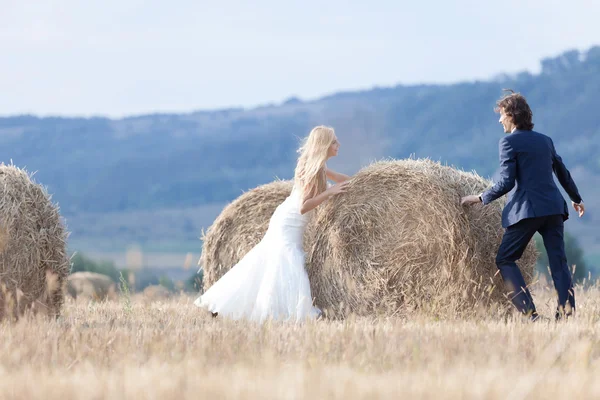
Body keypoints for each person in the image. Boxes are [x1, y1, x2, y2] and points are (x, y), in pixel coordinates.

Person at [195, 125, 351, 322]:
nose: (339, 144)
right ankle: (282, 312)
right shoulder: (314, 168)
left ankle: (239, 306)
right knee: (286, 262)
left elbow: (343, 180)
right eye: (335, 141)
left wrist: (360, 182)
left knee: (267, 261)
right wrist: (329, 192)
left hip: (286, 217)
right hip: (290, 220)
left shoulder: (317, 165)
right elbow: (304, 207)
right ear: (325, 144)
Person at [461, 90, 585, 321]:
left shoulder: (508, 141)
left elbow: (507, 181)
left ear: (512, 115)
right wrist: (576, 198)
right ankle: (566, 314)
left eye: (502, 114)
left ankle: (530, 314)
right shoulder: (544, 140)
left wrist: (480, 197)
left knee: (505, 258)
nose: (499, 120)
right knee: (559, 262)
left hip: (527, 210)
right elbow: (562, 172)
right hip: (554, 209)